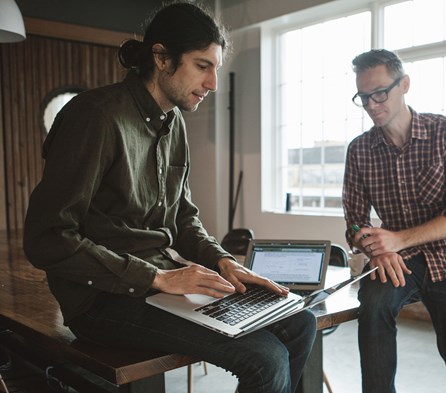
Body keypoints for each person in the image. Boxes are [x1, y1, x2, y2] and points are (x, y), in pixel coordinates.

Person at [23, 3, 316, 392]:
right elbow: (46, 238)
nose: (213, 82)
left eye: (215, 67)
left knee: (300, 321)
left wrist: (223, 261)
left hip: (161, 284)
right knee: (265, 358)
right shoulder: (94, 116)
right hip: (100, 301)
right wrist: (159, 277)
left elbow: (182, 218)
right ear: (161, 58)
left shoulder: (173, 121)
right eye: (202, 65)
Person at [342, 49, 446, 393]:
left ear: (404, 84)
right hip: (396, 262)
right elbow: (353, 222)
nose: (372, 104)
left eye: (380, 93)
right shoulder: (359, 150)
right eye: (363, 97)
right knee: (373, 303)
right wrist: (375, 248)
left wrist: (397, 240)